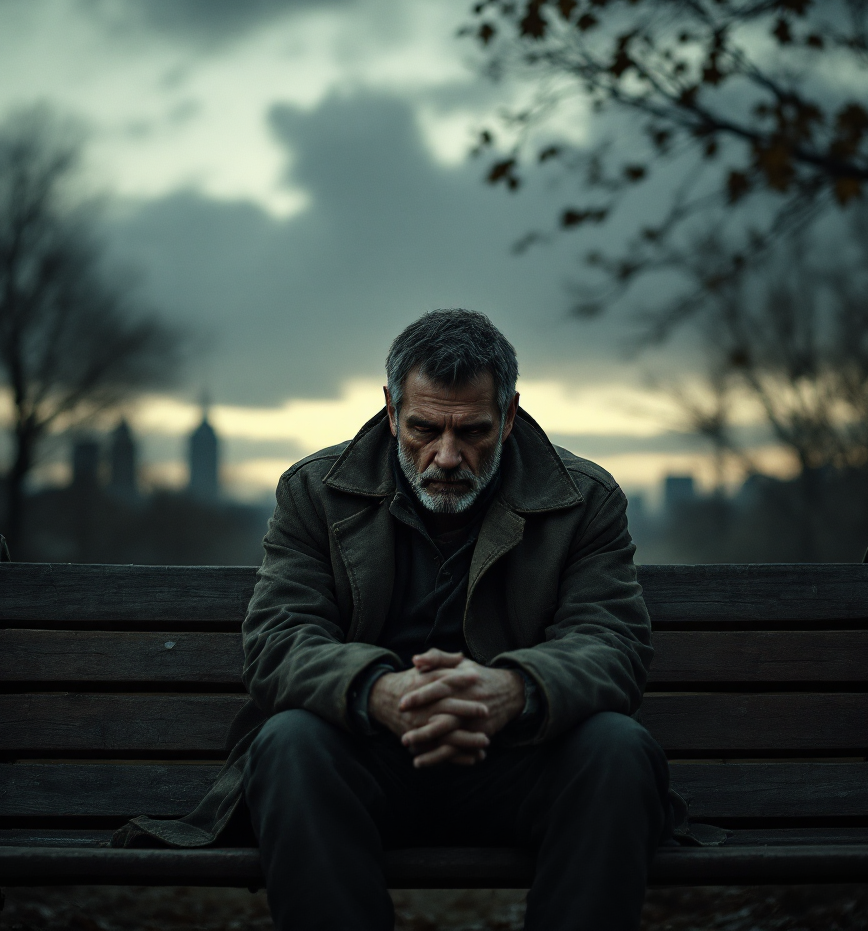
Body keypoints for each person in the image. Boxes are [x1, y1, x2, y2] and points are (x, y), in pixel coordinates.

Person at [115, 309, 669, 931]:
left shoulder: (583, 498)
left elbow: (612, 643)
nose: (447, 455)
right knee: (289, 741)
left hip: (518, 762)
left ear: (510, 416)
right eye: (424, 428)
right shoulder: (314, 492)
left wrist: (511, 690)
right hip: (366, 764)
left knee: (618, 748)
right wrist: (380, 692)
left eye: (474, 431)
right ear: (390, 411)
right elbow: (278, 642)